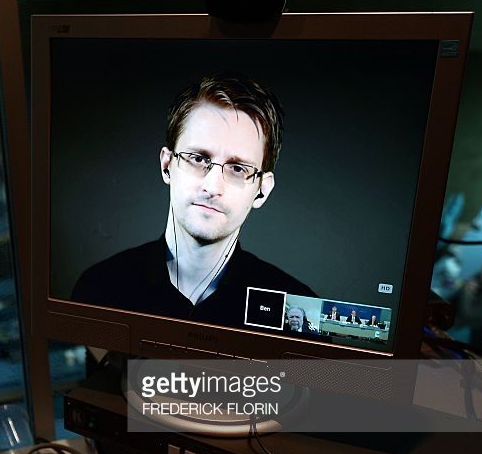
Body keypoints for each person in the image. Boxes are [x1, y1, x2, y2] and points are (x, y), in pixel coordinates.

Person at [71, 73, 315, 330]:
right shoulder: (98, 290)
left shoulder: (299, 313)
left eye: (238, 168)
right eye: (198, 158)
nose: (212, 186)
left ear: (262, 190)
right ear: (167, 166)